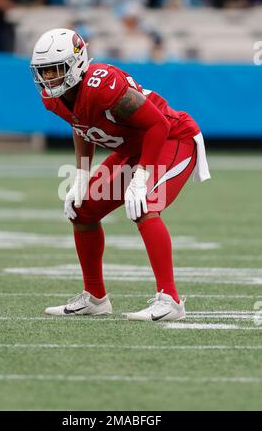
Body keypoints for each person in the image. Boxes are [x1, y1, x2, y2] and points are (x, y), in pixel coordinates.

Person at [30, 28, 211, 322]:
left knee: (145, 206)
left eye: (55, 70)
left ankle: (171, 301)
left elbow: (157, 126)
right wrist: (81, 176)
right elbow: (82, 127)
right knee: (82, 211)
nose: (48, 78)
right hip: (135, 149)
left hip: (172, 139)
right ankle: (95, 298)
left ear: (76, 64)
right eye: (44, 72)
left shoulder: (102, 84)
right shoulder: (54, 99)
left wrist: (141, 178)